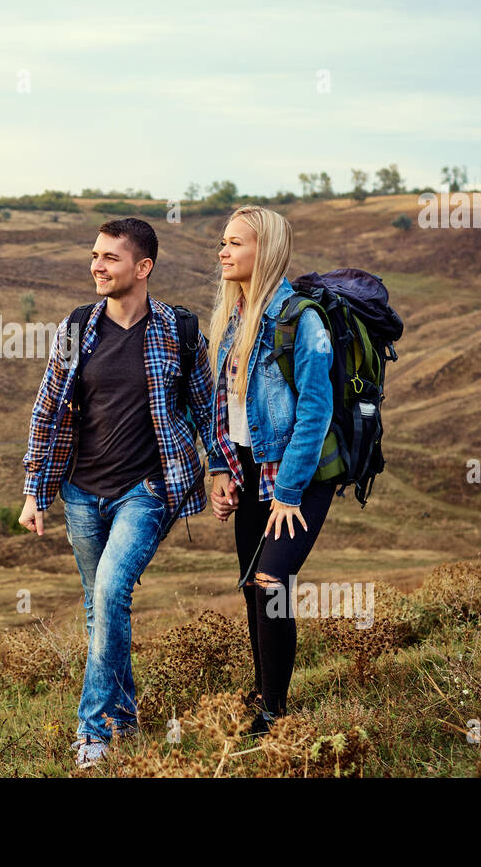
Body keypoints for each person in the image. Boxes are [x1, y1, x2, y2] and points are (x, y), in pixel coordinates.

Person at [18, 217, 222, 768]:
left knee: (109, 593)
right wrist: (35, 492)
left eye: (110, 257)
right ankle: (125, 719)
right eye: (94, 255)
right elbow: (45, 411)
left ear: (143, 267)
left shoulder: (179, 332)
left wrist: (222, 468)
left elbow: (208, 409)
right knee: (98, 606)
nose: (97, 266)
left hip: (147, 491)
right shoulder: (77, 329)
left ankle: (92, 733)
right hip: (82, 493)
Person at [206, 205, 336, 738]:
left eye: (236, 243)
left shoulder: (301, 319)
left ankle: (274, 714)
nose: (223, 251)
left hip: (297, 478)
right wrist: (221, 472)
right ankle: (264, 693)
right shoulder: (234, 318)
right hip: (251, 475)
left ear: (268, 251)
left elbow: (315, 411)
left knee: (270, 581)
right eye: (223, 241)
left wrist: (287, 492)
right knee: (251, 588)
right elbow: (225, 406)